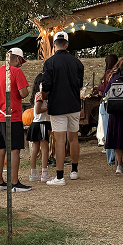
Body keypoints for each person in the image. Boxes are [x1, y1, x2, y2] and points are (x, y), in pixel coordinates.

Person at [41, 31, 84, 185]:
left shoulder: (49, 63)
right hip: (74, 105)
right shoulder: (77, 63)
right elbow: (79, 85)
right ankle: (74, 170)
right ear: (66, 44)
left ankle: (59, 176)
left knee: (60, 140)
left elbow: (46, 85)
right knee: (73, 139)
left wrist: (44, 96)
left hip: (57, 106)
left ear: (54, 45)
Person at [0, 47, 31, 192]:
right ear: (17, 59)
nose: (21, 64)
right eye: (21, 61)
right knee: (14, 150)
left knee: (1, 149)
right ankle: (14, 183)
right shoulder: (16, 72)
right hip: (12, 117)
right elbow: (23, 92)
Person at [95, 54, 119, 165]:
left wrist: (96, 88)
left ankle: (111, 158)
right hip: (116, 104)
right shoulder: (116, 74)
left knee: (107, 130)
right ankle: (115, 157)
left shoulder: (108, 74)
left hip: (105, 104)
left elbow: (105, 89)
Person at [27, 73, 51, 183]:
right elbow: (38, 110)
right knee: (44, 149)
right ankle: (44, 173)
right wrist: (49, 108)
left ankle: (33, 174)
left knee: (35, 149)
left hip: (36, 123)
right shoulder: (41, 95)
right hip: (41, 123)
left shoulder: (37, 94)